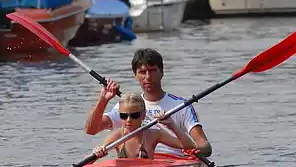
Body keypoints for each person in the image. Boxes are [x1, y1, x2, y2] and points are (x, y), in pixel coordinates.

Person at [83, 48, 213, 157]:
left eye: (152, 71)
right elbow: (91, 130)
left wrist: (196, 151)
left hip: (174, 161)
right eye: (142, 72)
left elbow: (205, 146)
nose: (148, 77)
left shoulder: (181, 106)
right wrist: (103, 100)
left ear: (161, 72)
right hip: (137, 162)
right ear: (135, 75)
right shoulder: (126, 106)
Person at [92, 92, 197, 159]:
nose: (128, 120)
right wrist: (98, 151)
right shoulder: (117, 136)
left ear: (143, 115)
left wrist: (172, 125)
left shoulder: (153, 135)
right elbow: (95, 156)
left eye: (135, 115)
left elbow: (188, 145)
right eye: (124, 116)